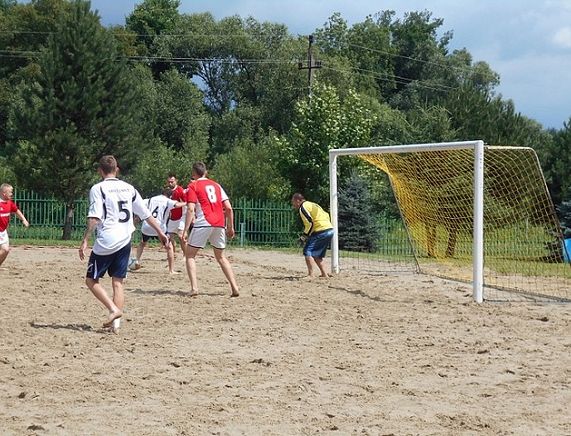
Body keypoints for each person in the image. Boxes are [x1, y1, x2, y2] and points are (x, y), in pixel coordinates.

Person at [78, 155, 168, 332]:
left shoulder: (98, 188)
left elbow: (94, 217)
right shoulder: (129, 188)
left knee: (91, 280)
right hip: (125, 239)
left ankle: (113, 310)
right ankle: (115, 326)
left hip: (107, 240)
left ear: (100, 171)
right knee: (118, 282)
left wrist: (85, 239)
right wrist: (161, 233)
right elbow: (146, 214)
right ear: (116, 169)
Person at [181, 162, 239, 297]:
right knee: (221, 257)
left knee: (190, 255)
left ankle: (194, 288)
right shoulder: (217, 185)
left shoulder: (193, 186)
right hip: (219, 223)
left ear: (194, 173)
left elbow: (190, 208)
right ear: (206, 172)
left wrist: (185, 230)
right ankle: (235, 287)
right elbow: (229, 208)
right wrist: (230, 227)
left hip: (203, 222)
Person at [132, 187, 186, 274]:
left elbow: (139, 205)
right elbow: (177, 205)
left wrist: (135, 220)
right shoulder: (168, 201)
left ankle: (137, 260)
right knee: (169, 247)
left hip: (147, 226)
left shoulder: (150, 200)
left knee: (142, 243)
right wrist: (187, 203)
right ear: (170, 196)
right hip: (159, 227)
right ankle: (171, 270)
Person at [291, 193, 334, 277]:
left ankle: (311, 275)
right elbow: (326, 215)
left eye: (293, 202)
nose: (293, 204)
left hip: (321, 230)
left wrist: (304, 236)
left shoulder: (302, 208)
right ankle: (324, 274)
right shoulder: (313, 204)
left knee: (307, 251)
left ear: (297, 201)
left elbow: (309, 223)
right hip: (329, 229)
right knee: (317, 254)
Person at [0, 183, 29, 268]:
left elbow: (16, 211)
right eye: (10, 192)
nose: (12, 194)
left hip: (3, 231)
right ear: (4, 193)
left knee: (6, 251)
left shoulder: (9, 203)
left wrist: (24, 219)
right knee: (5, 249)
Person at [165, 174, 187, 257]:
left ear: (176, 181)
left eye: (172, 181)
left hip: (181, 217)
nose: (170, 183)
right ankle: (173, 254)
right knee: (169, 237)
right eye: (169, 182)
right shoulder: (167, 191)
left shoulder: (180, 190)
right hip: (171, 217)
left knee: (181, 237)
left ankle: (186, 255)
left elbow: (186, 203)